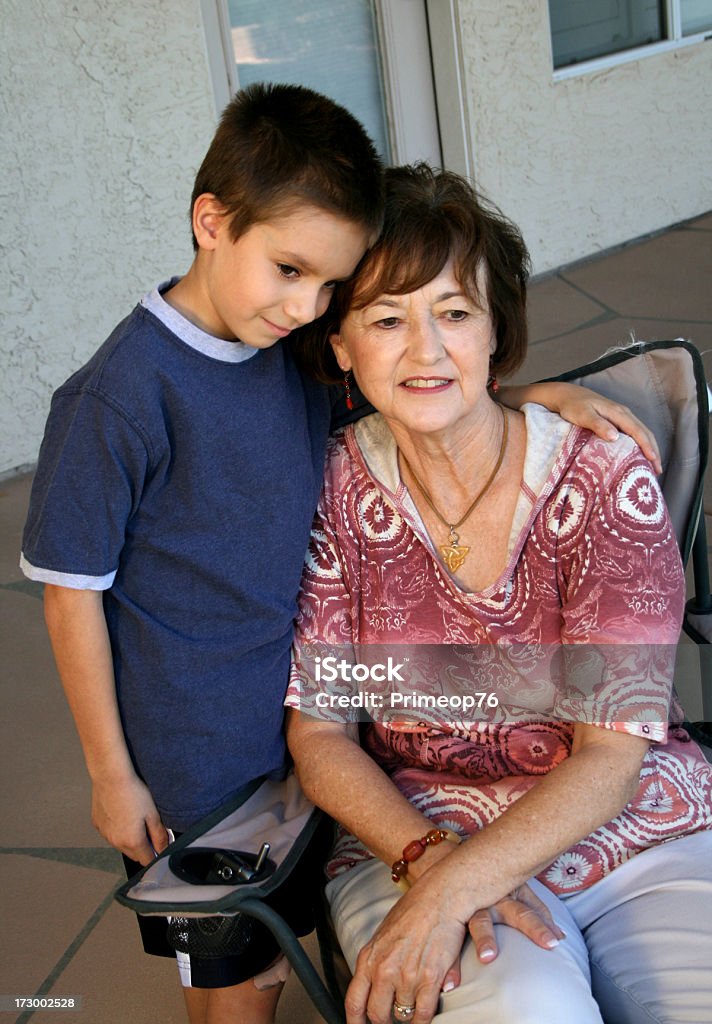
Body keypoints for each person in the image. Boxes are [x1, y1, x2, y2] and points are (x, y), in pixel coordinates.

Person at [21, 83, 662, 1024]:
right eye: (288, 269)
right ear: (210, 221)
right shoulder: (118, 399)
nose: (308, 306)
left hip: (300, 730)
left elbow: (422, 392)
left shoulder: (284, 355)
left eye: (330, 286)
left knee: (281, 949)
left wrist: (537, 396)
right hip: (194, 754)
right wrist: (111, 774)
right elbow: (70, 596)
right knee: (235, 976)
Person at [286, 163, 712, 1024]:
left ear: (494, 334)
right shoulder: (330, 489)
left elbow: (609, 758)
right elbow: (320, 731)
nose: (427, 350)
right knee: (524, 1011)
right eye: (386, 319)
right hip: (410, 829)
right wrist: (431, 867)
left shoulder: (599, 477)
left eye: (454, 313)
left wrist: (450, 891)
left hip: (630, 833)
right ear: (341, 347)